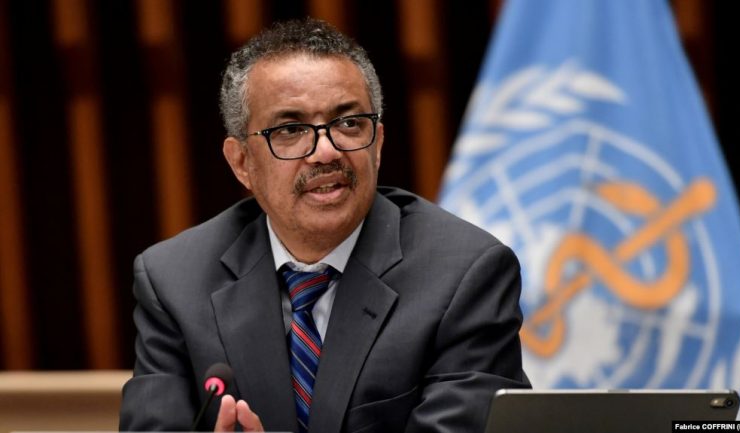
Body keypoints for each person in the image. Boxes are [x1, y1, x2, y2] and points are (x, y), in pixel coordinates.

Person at [119, 17, 530, 433]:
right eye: (291, 129)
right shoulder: (175, 281)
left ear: (378, 143)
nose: (326, 151)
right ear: (241, 162)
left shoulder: (464, 274)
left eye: (349, 123)